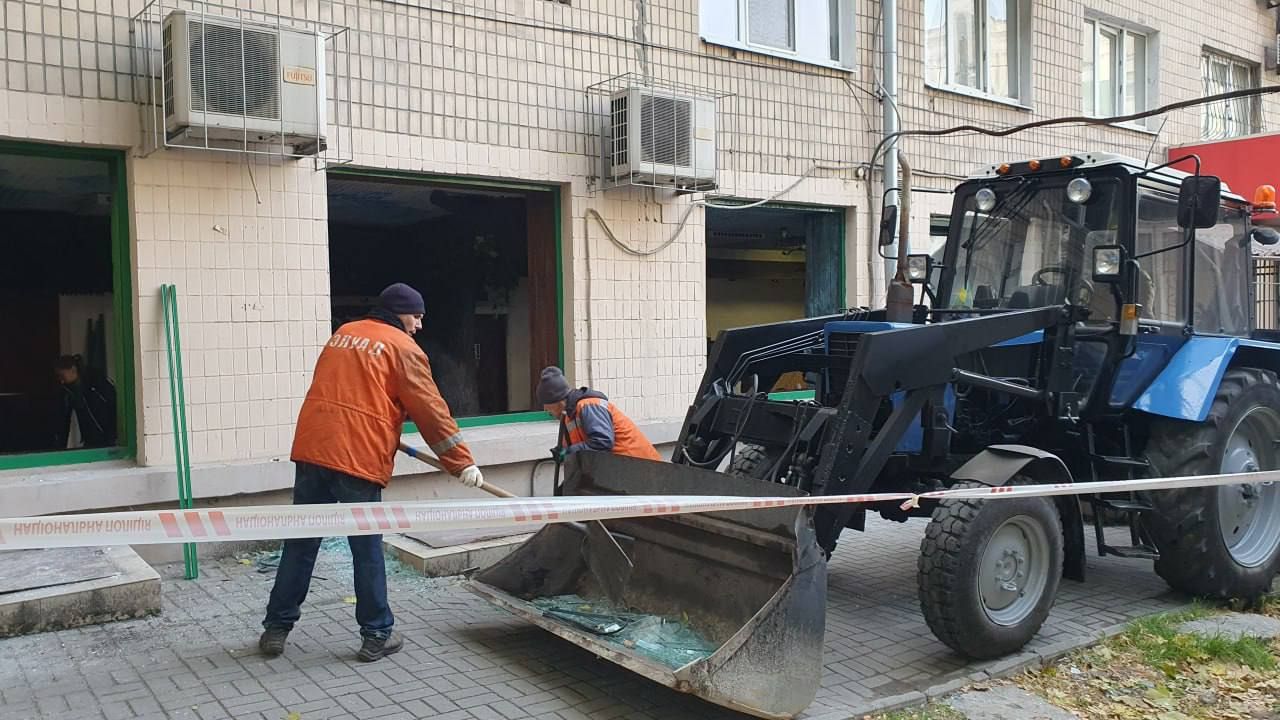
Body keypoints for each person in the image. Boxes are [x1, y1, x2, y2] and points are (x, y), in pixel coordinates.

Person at [260, 283, 484, 662]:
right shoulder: (403, 348)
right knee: (365, 550)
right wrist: (461, 462)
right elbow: (431, 411)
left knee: (300, 544)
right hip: (357, 459)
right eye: (416, 316)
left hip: (314, 450)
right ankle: (377, 634)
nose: (419, 325)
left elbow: (347, 394)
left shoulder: (343, 334)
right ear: (399, 314)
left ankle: (276, 629)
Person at [535, 366, 662, 462]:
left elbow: (602, 442)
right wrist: (563, 451)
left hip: (639, 466)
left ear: (559, 401)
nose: (546, 410)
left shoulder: (589, 405)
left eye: (547, 405)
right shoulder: (569, 416)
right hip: (619, 469)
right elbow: (579, 446)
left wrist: (569, 451)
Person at [54, 355, 117, 449]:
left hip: (109, 436)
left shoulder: (96, 381)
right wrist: (60, 446)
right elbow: (64, 421)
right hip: (89, 439)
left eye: (62, 375)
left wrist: (113, 434)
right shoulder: (68, 392)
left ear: (73, 369)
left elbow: (113, 405)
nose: (61, 381)